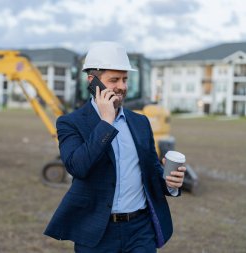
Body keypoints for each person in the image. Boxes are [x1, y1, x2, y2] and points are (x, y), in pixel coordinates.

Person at [44, 41, 186, 252]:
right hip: (96, 233)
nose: (122, 86)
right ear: (92, 82)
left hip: (140, 230)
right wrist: (106, 123)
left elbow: (151, 171)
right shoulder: (70, 123)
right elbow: (78, 167)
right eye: (114, 80)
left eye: (125, 79)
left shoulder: (140, 122)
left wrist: (171, 183)